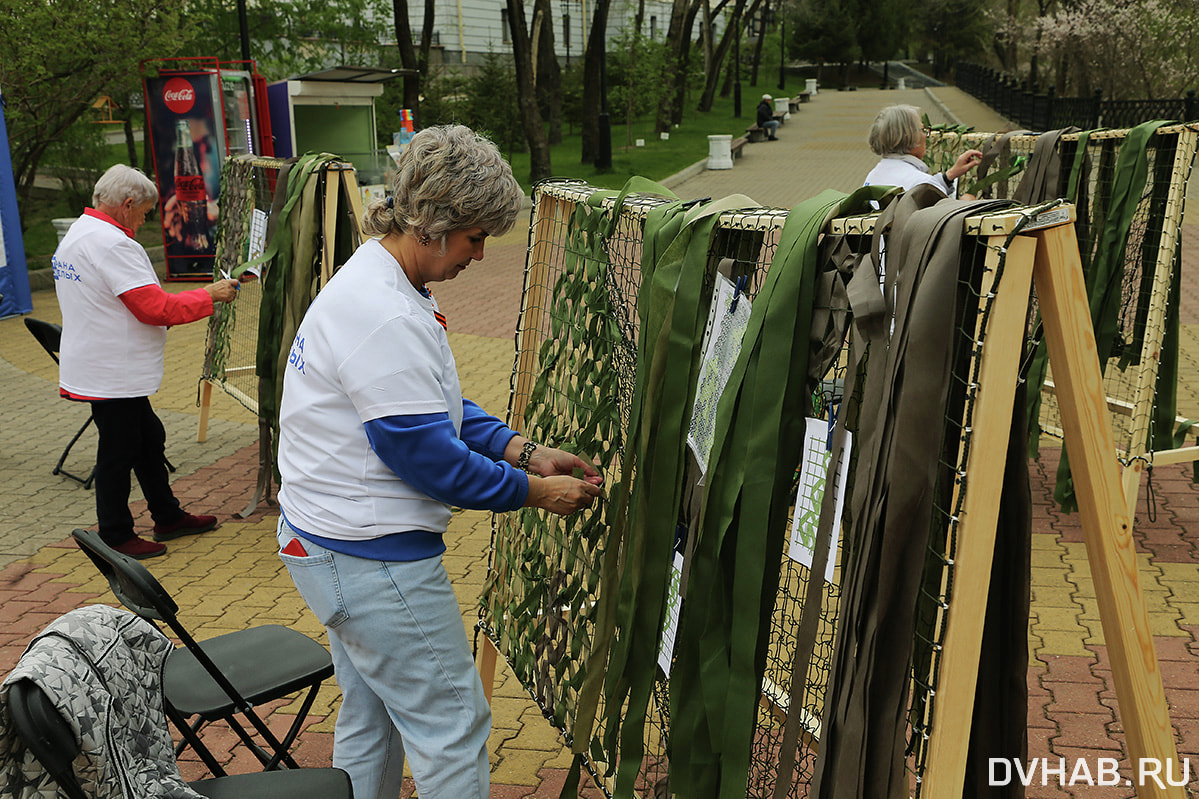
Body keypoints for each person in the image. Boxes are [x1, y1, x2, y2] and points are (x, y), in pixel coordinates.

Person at [274, 125, 603, 799]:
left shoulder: (380, 279)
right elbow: (428, 459)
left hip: (326, 543)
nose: (479, 256)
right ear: (430, 224)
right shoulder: (383, 314)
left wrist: (524, 449)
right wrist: (536, 492)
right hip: (372, 560)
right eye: (475, 238)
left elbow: (432, 404)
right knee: (452, 723)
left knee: (372, 710)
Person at [52, 164, 240, 559]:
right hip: (112, 369)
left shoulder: (81, 233)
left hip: (102, 364)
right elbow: (154, 308)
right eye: (144, 212)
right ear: (127, 203)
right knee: (119, 449)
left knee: (148, 437)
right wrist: (210, 295)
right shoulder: (113, 244)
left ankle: (167, 515)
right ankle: (116, 534)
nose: (144, 219)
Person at [863, 104, 983, 198]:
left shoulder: (873, 176)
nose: (926, 136)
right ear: (909, 136)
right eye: (922, 130)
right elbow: (944, 223)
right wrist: (966, 203)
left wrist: (949, 176)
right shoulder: (923, 184)